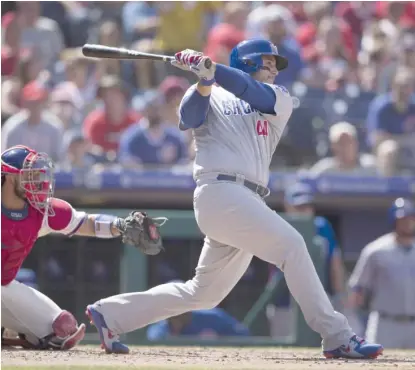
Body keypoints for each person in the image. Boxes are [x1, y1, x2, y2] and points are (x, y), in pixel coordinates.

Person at [86, 38, 383, 359]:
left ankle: (112, 315)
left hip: (247, 200)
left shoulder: (279, 98)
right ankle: (337, 335)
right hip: (220, 192)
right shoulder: (208, 92)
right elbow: (190, 117)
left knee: (203, 293)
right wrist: (203, 82)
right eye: (266, 62)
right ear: (247, 61)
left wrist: (212, 70)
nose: (273, 69)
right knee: (293, 245)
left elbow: (248, 90)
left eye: (274, 64)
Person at [1, 145, 164, 352]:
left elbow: (86, 223)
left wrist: (120, 226)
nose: (37, 182)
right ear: (8, 177)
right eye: (29, 175)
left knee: (63, 327)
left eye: (37, 174)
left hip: (5, 286)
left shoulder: (41, 211)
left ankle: (15, 332)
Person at [266, 182, 347, 338]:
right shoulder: (278, 224)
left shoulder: (321, 226)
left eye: (307, 206)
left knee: (322, 344)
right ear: (287, 206)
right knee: (284, 347)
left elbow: (334, 262)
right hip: (284, 301)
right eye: (298, 206)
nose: (304, 211)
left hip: (319, 298)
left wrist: (340, 295)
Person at [348, 198, 415, 349]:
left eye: (410, 218)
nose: (407, 223)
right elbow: (358, 289)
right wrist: (357, 324)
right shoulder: (376, 250)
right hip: (385, 323)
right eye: (402, 219)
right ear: (394, 220)